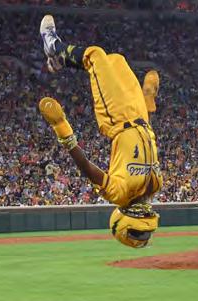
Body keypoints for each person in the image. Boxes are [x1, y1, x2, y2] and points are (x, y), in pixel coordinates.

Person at [38, 15, 162, 248]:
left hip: (117, 118)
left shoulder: (120, 194)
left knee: (95, 56)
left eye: (140, 222)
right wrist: (148, 99)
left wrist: (62, 128)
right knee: (116, 60)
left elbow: (87, 168)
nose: (146, 216)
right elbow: (149, 139)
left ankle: (52, 45)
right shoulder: (156, 185)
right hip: (139, 116)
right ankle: (59, 61)